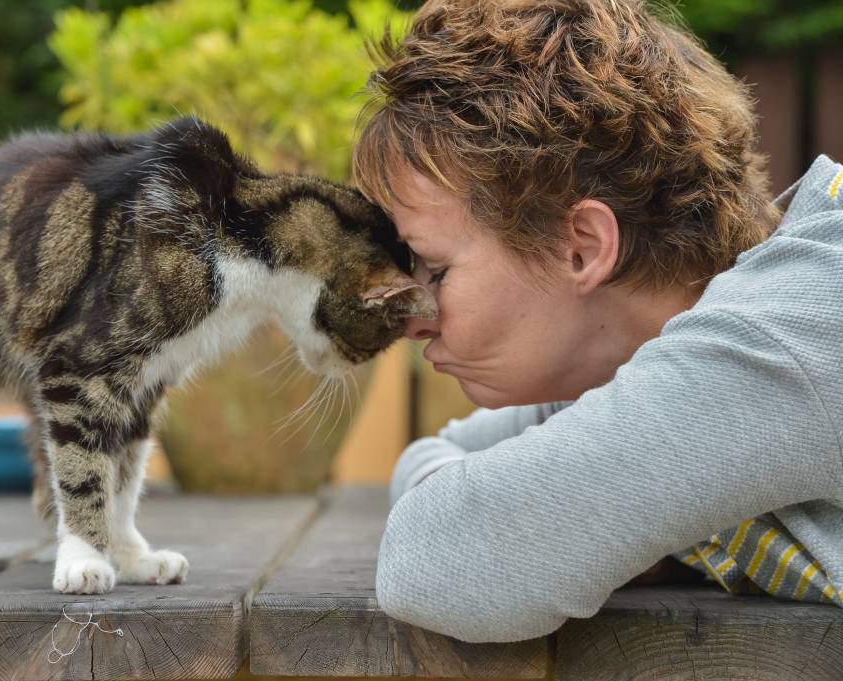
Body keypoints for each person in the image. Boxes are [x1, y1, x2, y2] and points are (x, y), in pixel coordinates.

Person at [351, 0, 843, 643]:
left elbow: (436, 562)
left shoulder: (783, 335)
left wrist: (567, 516)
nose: (411, 320)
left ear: (581, 246)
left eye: (435, 271)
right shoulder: (647, 357)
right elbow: (439, 456)